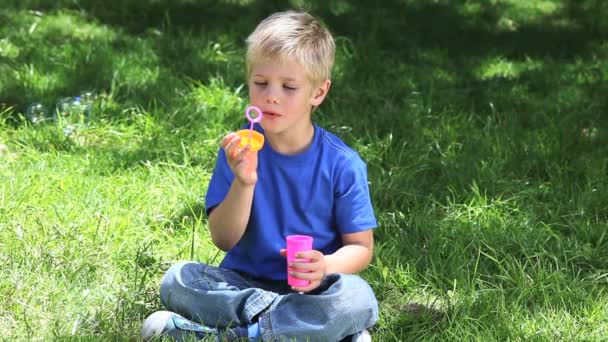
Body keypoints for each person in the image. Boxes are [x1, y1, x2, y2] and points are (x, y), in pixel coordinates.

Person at [141, 10, 378, 341]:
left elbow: (361, 249)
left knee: (357, 297)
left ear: (318, 93)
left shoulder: (342, 164)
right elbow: (223, 239)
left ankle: (234, 336)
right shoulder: (240, 152)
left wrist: (323, 266)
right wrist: (244, 182)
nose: (272, 95)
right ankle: (302, 329)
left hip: (312, 288)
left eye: (289, 86)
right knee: (179, 278)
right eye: (261, 83)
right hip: (243, 283)